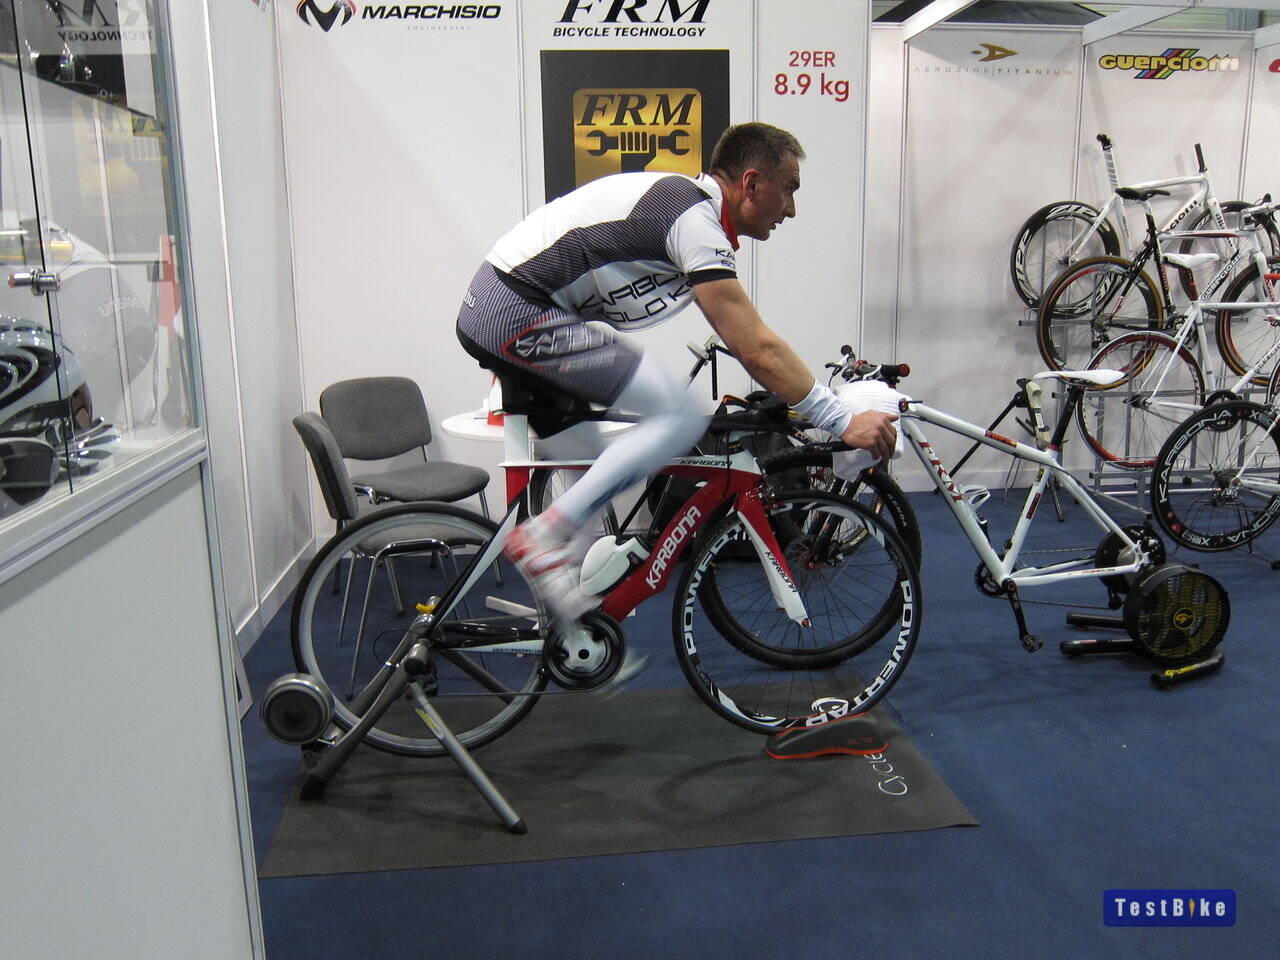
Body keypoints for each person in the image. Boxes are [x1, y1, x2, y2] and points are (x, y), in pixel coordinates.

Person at [456, 121, 898, 630]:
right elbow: (754, 346)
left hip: (513, 308)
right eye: (789, 189)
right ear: (752, 183)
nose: (792, 209)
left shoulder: (690, 212)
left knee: (590, 466)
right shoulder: (693, 219)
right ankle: (542, 538)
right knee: (680, 415)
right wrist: (840, 418)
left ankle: (569, 628)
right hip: (511, 310)